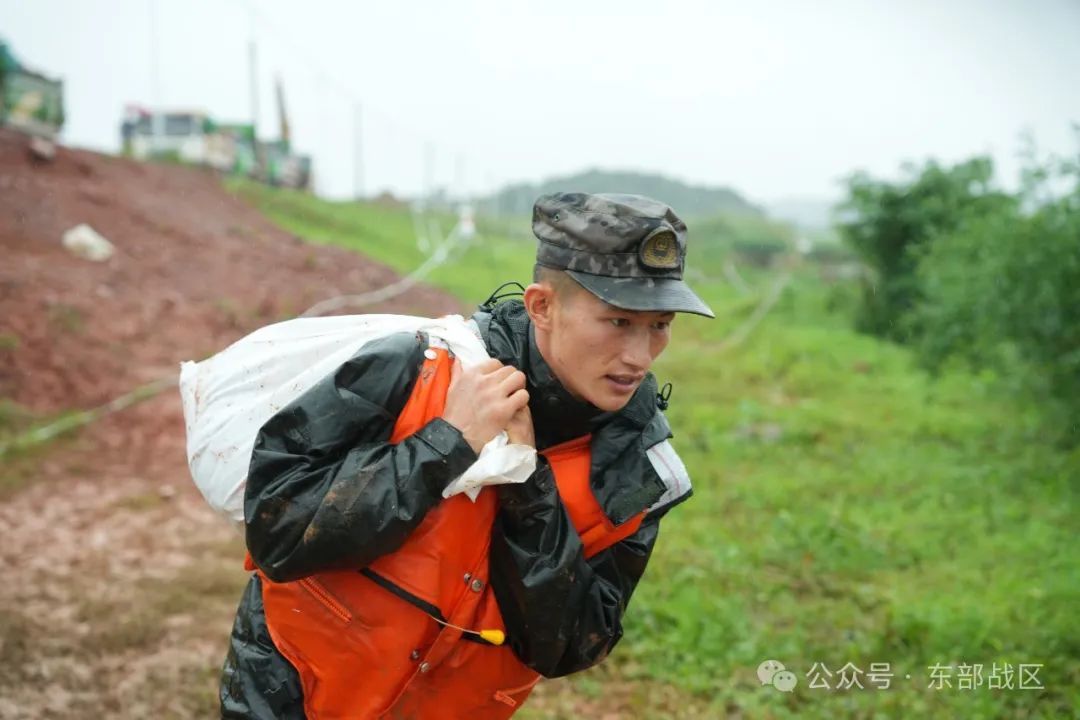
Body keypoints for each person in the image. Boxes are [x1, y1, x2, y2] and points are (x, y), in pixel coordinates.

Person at [219, 192, 715, 719]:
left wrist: (529, 488)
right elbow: (280, 535)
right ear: (541, 306)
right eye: (618, 322)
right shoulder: (418, 367)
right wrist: (444, 443)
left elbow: (571, 646)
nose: (640, 357)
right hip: (288, 695)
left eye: (659, 325)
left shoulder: (636, 465)